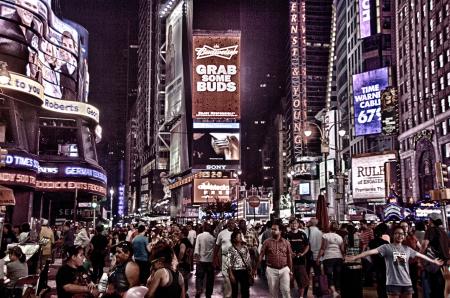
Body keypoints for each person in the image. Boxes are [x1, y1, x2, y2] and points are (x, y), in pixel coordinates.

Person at [347, 226, 444, 298]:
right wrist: (356, 257)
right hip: (393, 284)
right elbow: (370, 252)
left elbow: (420, 255)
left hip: (407, 283)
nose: (400, 235)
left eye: (402, 234)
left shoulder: (407, 249)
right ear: (393, 235)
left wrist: (433, 261)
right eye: (397, 233)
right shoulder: (386, 247)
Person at [258, 219, 293, 298]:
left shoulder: (286, 242)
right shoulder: (267, 242)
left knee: (286, 291)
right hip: (271, 270)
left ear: (280, 231)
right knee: (273, 292)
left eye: (275, 229)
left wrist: (291, 270)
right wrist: (256, 268)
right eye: (272, 229)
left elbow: (289, 256)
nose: (272, 231)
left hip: (284, 269)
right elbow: (261, 254)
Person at [421, 213, 449, 298]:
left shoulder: (430, 230)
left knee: (431, 288)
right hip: (443, 263)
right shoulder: (444, 232)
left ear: (431, 220)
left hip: (433, 263)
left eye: (429, 219)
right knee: (440, 287)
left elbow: (424, 245)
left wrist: (419, 256)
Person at [316, 222, 344, 297]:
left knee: (329, 275)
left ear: (329, 227)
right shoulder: (339, 237)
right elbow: (342, 249)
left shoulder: (325, 235)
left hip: (328, 257)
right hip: (339, 257)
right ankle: (338, 291)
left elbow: (323, 248)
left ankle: (333, 291)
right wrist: (343, 257)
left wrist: (318, 258)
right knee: (337, 275)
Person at [286, 218, 309, 298]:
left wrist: (302, 253)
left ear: (298, 224)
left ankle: (301, 296)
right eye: (292, 223)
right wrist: (290, 253)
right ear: (289, 225)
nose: (294, 225)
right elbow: (284, 247)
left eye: (295, 223)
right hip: (289, 262)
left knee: (302, 281)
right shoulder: (287, 235)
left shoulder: (302, 234)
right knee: (289, 281)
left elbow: (307, 246)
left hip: (301, 262)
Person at [213, 219, 236, 298]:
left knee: (235, 276)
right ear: (228, 224)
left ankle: (234, 293)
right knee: (226, 276)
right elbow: (217, 246)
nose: (232, 225)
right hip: (225, 257)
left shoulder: (237, 233)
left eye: (233, 223)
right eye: (230, 223)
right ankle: (228, 295)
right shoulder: (222, 233)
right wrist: (214, 257)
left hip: (236, 258)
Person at [227, 230, 252, 298]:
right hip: (235, 271)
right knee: (234, 291)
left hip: (244, 271)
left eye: (241, 236)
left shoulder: (245, 248)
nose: (241, 238)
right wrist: (231, 274)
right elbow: (229, 262)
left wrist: (250, 271)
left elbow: (248, 260)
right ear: (234, 239)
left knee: (245, 291)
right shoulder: (231, 249)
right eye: (239, 237)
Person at [194, 223, 215, 298]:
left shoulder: (199, 236)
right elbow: (214, 249)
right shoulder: (212, 237)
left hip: (201, 260)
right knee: (210, 278)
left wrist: (196, 257)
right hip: (210, 260)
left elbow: (197, 247)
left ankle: (199, 289)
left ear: (203, 228)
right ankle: (208, 293)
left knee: (199, 277)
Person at [369, 223, 390, 298]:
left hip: (376, 264)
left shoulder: (371, 242)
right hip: (385, 265)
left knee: (379, 283)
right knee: (385, 283)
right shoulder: (386, 243)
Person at [173, 228, 193, 295]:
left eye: (180, 233)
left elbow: (182, 252)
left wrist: (178, 260)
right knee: (185, 280)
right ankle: (185, 292)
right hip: (187, 263)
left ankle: (182, 293)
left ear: (182, 234)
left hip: (182, 264)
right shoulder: (188, 242)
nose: (179, 235)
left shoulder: (183, 242)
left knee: (181, 280)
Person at [59, 31, 78, 100]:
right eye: (64, 45)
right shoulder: (59, 68)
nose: (67, 49)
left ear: (74, 50)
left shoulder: (79, 70)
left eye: (70, 46)